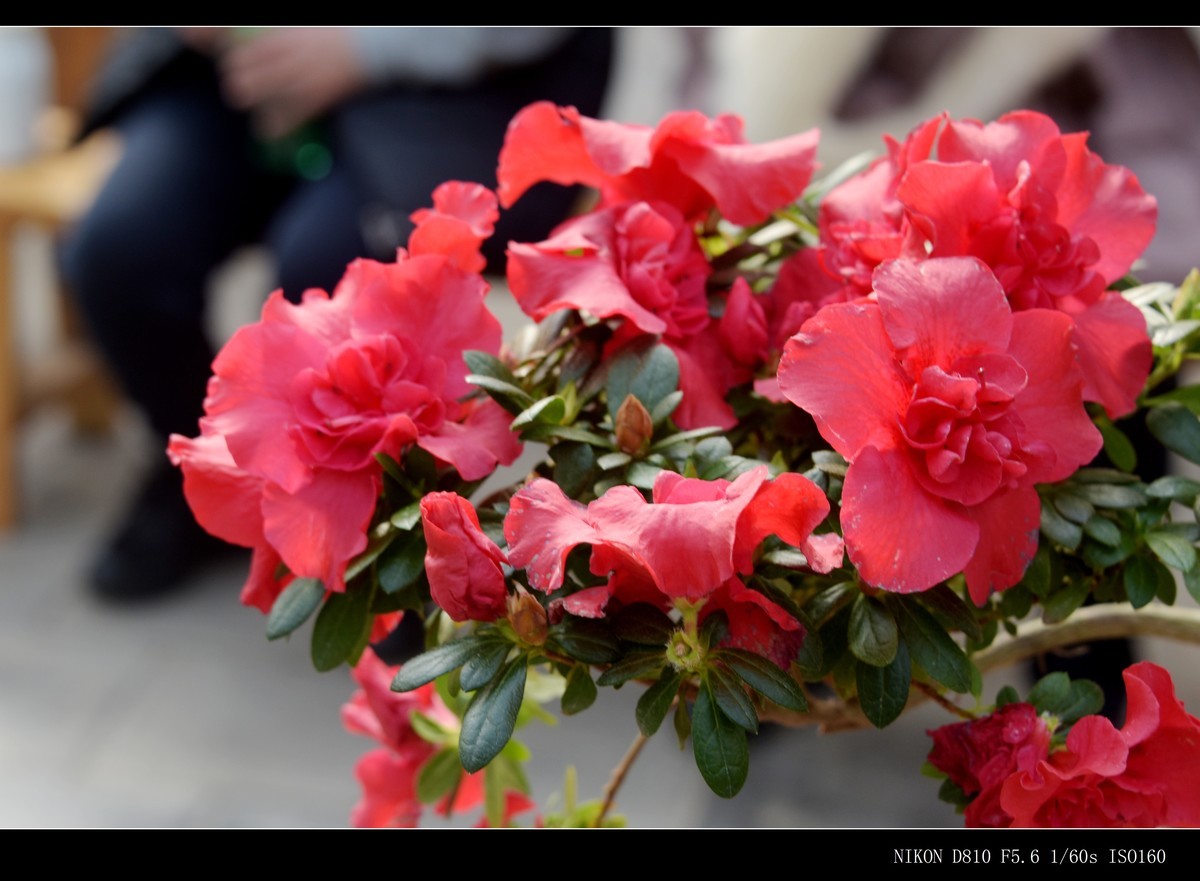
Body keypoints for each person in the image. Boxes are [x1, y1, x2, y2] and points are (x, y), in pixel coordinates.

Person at [61, 27, 613, 599]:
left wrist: (365, 47)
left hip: (432, 86)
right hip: (229, 74)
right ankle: (208, 482)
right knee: (119, 251)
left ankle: (406, 544)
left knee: (335, 273)